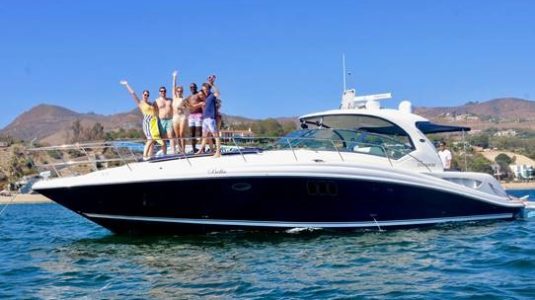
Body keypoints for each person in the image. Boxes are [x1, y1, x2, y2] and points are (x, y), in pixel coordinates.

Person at [119, 80, 163, 160]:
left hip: (153, 122)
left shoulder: (151, 103)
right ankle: (145, 156)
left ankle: (150, 156)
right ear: (142, 95)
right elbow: (133, 94)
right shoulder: (140, 103)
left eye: (147, 95)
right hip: (147, 121)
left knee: (153, 141)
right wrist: (126, 84)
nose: (146, 96)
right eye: (145, 94)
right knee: (150, 139)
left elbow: (157, 111)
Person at [196, 75, 221, 157]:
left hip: (210, 119)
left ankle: (218, 152)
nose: (204, 90)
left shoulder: (211, 95)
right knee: (204, 136)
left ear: (208, 89)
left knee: (215, 135)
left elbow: (218, 93)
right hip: (205, 119)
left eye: (205, 89)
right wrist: (208, 82)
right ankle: (200, 150)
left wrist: (213, 84)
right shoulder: (204, 97)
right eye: (203, 89)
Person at [171, 71, 188, 153]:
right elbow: (173, 86)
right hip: (175, 117)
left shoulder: (184, 99)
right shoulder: (174, 97)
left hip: (182, 117)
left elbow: (187, 108)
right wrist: (174, 77)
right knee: (177, 135)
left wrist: (182, 107)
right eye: (178, 91)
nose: (179, 92)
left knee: (181, 134)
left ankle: (183, 150)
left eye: (180, 91)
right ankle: (180, 150)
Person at [155, 86, 174, 154]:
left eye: (164, 91)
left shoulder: (170, 100)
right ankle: (164, 154)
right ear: (159, 92)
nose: (163, 92)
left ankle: (173, 153)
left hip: (169, 119)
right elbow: (153, 111)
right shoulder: (156, 101)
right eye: (161, 91)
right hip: (161, 120)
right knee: (163, 139)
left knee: (171, 136)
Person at [186, 83, 204, 152]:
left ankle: (202, 148)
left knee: (200, 132)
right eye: (191, 87)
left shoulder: (199, 94)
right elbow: (184, 105)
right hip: (191, 116)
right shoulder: (189, 97)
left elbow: (204, 101)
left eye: (193, 87)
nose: (192, 88)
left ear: (196, 87)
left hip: (199, 115)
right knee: (192, 133)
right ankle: (194, 148)